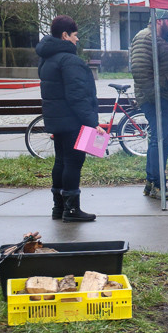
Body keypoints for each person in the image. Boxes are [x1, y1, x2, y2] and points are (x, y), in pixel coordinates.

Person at [36, 15, 100, 222]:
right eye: (75, 35)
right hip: (74, 121)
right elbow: (78, 96)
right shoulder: (70, 61)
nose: (77, 39)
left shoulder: (47, 59)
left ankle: (59, 207)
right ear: (65, 35)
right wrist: (93, 123)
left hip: (57, 120)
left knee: (61, 161)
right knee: (74, 162)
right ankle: (72, 210)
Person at [130, 10, 168, 200]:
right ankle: (157, 185)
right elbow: (140, 70)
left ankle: (152, 183)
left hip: (166, 98)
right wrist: (155, 97)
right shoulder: (145, 37)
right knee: (159, 141)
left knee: (161, 140)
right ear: (159, 21)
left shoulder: (159, 39)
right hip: (158, 99)